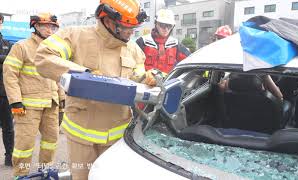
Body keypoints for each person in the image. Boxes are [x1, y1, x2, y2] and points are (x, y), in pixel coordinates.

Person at [33, 1, 152, 179]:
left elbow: (138, 77)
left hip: (116, 137)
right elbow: (44, 58)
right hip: (81, 136)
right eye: (126, 28)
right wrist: (84, 75)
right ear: (109, 21)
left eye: (134, 28)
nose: (131, 33)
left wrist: (148, 78)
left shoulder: (134, 49)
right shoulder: (75, 36)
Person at [3, 13, 65, 178]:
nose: (49, 30)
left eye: (52, 27)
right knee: (25, 144)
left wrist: (62, 98)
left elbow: (57, 76)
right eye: (45, 26)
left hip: (51, 104)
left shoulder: (54, 50)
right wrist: (15, 102)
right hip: (26, 106)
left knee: (51, 141)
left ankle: (45, 172)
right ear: (35, 26)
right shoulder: (21, 47)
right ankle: (20, 175)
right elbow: (10, 75)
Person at [136, 9, 190, 80]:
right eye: (163, 25)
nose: (166, 29)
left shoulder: (175, 44)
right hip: (145, 85)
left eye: (169, 26)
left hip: (167, 86)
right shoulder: (143, 42)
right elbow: (133, 65)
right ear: (156, 24)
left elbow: (190, 61)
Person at [0, 13, 14, 167]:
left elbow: (11, 62)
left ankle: (9, 156)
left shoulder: (7, 43)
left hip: (4, 93)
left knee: (8, 127)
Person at [218, 73, 283, 100]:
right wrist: (266, 76)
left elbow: (220, 88)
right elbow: (280, 97)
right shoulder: (265, 99)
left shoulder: (232, 83)